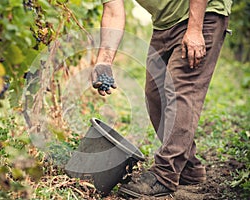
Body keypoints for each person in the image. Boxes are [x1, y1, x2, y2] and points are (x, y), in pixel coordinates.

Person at [91, 0, 232, 198]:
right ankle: (188, 169)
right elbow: (114, 11)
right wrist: (104, 61)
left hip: (201, 15)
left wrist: (194, 28)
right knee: (155, 94)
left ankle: (165, 174)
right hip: (164, 25)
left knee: (181, 90)